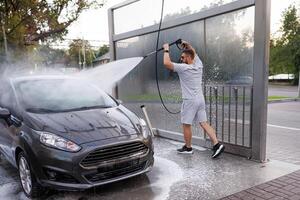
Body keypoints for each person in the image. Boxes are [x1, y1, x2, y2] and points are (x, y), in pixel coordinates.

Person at [162, 41, 225, 158]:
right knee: (204, 123)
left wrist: (166, 49)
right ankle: (217, 144)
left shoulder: (183, 68)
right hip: (200, 100)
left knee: (186, 124)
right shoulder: (198, 65)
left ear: (189, 58)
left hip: (190, 101)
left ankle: (188, 147)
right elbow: (193, 52)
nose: (181, 59)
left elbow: (166, 63)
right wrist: (187, 44)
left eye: (183, 57)